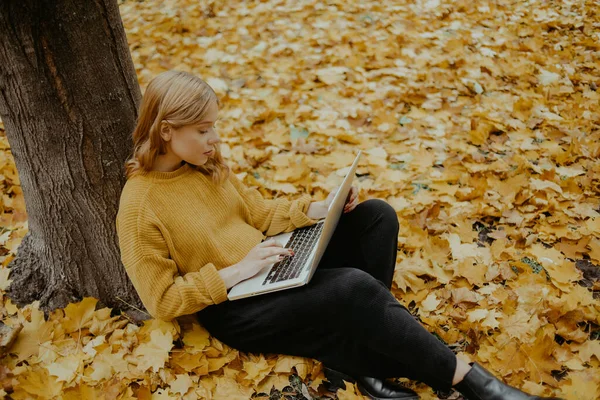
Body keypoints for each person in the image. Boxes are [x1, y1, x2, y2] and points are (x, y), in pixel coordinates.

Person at [115, 70, 563, 400]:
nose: (214, 139)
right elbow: (161, 300)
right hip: (237, 307)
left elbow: (256, 211)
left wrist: (319, 209)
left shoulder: (205, 165)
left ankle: (356, 362)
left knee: (376, 217)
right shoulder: (139, 207)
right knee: (352, 286)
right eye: (203, 130)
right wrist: (235, 272)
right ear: (166, 131)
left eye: (215, 126)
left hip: (272, 266)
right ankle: (475, 383)